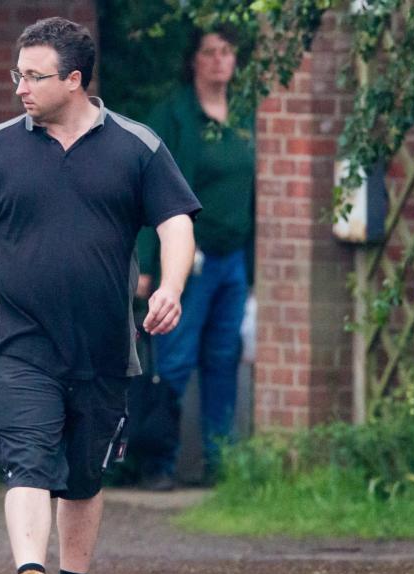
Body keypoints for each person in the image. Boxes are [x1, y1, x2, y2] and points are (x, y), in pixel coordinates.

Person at [0, 17, 200, 574]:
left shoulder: (136, 146)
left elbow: (175, 223)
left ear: (73, 80)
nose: (20, 87)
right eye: (16, 74)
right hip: (17, 341)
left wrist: (170, 285)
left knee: (82, 478)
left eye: (33, 76)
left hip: (103, 348)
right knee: (27, 459)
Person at [135, 27, 256, 491]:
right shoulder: (173, 115)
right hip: (186, 259)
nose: (219, 61)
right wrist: (148, 265)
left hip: (232, 259)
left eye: (227, 52)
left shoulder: (246, 115)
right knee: (175, 357)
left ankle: (219, 462)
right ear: (193, 61)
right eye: (210, 53)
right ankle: (158, 462)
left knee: (225, 357)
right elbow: (147, 190)